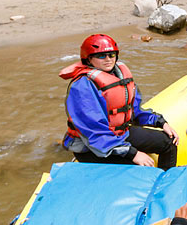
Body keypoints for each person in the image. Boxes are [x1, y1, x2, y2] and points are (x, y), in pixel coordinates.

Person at [60, 34, 178, 169]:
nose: (108, 59)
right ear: (89, 58)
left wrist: (160, 122)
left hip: (121, 134)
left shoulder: (119, 75)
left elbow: (135, 110)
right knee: (140, 168)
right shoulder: (82, 86)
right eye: (101, 56)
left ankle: (165, 183)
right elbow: (94, 131)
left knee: (168, 142)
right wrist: (132, 153)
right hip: (92, 147)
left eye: (111, 55)